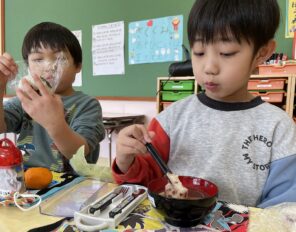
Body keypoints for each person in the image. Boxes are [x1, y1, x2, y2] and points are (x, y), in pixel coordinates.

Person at [112, 0, 296, 208]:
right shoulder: (172, 119)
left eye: (226, 53)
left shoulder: (278, 127)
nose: (209, 67)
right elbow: (146, 184)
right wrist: (126, 162)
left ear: (262, 53)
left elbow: (284, 206)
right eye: (199, 52)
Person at [0, 22, 105, 172]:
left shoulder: (87, 104)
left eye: (60, 59)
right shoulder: (26, 100)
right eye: (38, 59)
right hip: (28, 184)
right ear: (28, 66)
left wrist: (54, 123)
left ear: (78, 66)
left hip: (73, 186)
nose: (49, 67)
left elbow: (78, 154)